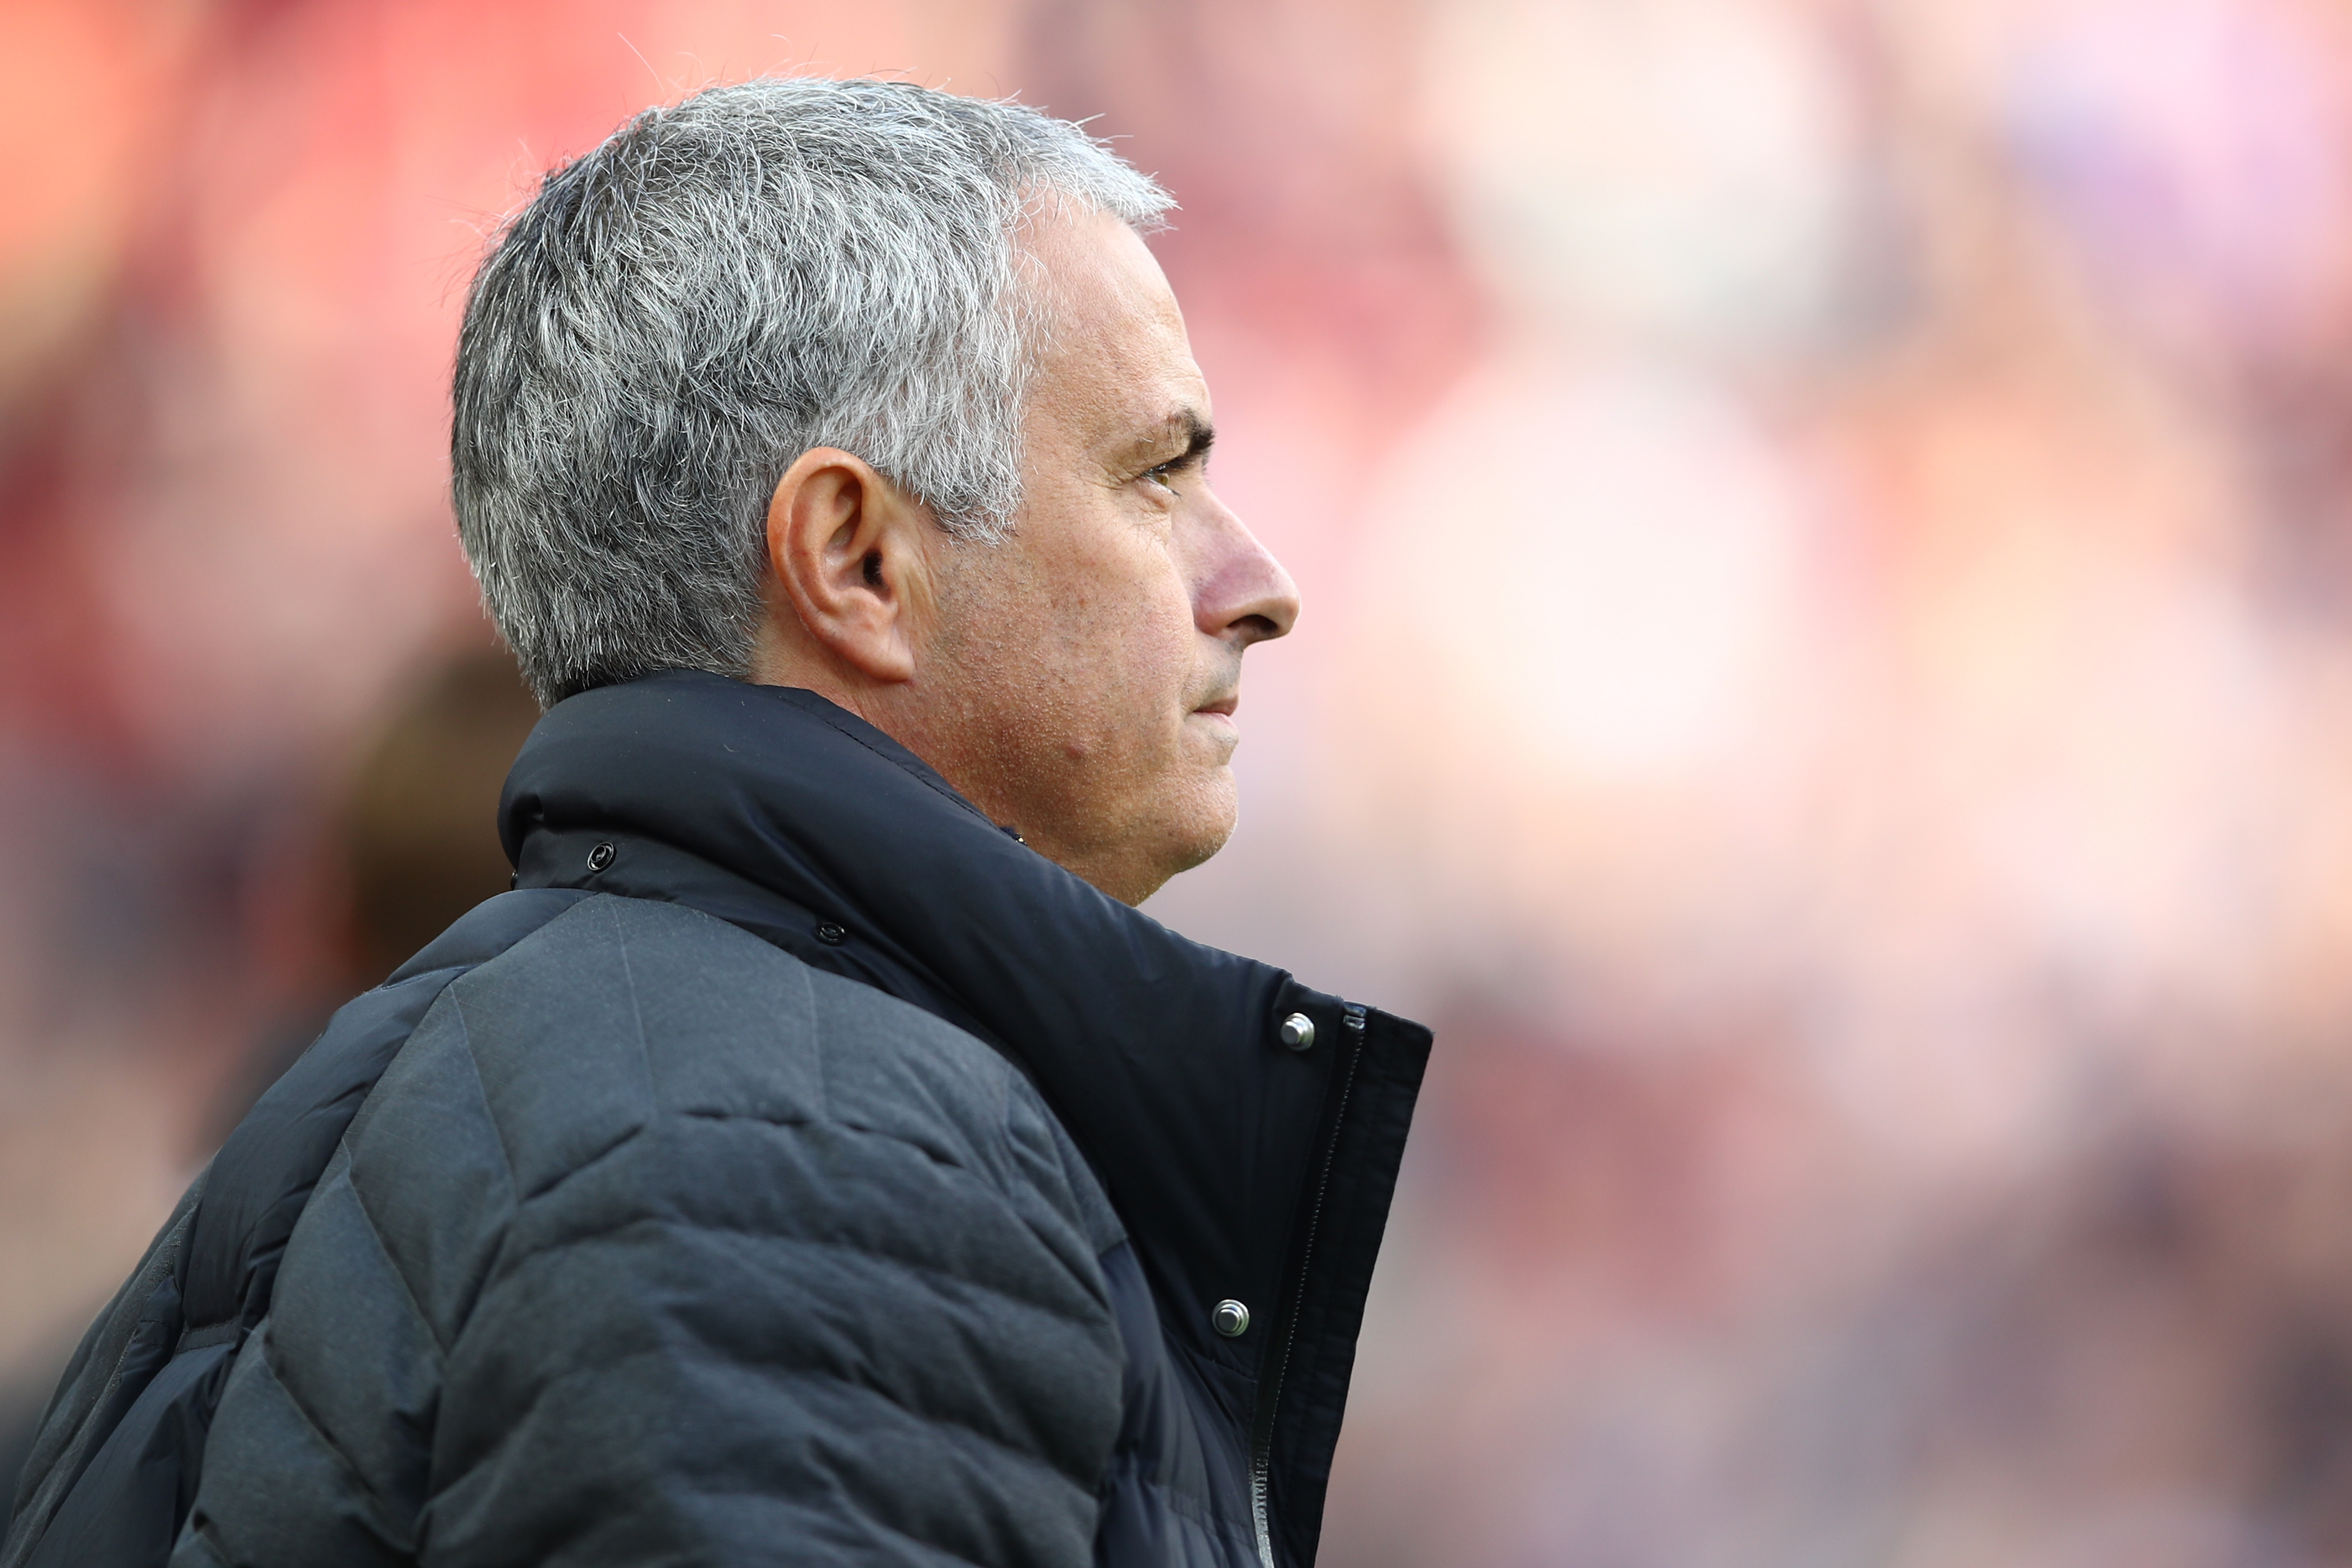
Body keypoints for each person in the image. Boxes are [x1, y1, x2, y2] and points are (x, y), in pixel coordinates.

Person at [3, 77, 1431, 1568]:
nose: (1258, 583)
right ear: (857, 561)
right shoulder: (804, 1156)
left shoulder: (573, 1070)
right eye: (1158, 473)